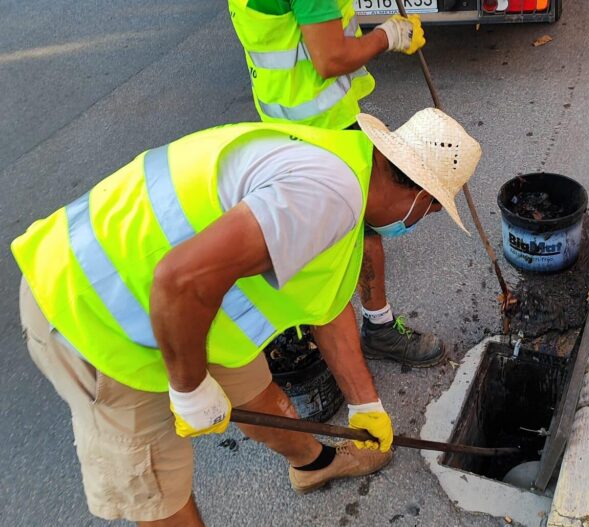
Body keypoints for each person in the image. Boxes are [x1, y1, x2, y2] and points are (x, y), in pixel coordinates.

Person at [12, 108, 481, 526]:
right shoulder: (326, 197)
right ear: (420, 197)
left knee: (258, 393)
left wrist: (365, 405)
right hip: (95, 307)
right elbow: (178, 281)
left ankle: (313, 465)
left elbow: (328, 303)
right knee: (158, 488)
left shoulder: (350, 170)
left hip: (192, 305)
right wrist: (190, 390)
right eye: (430, 211)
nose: (418, 223)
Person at [228, 0, 445, 367]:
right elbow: (330, 58)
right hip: (325, 127)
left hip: (284, 119)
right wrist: (389, 35)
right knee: (357, 232)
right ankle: (373, 331)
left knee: (332, 237)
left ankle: (327, 331)